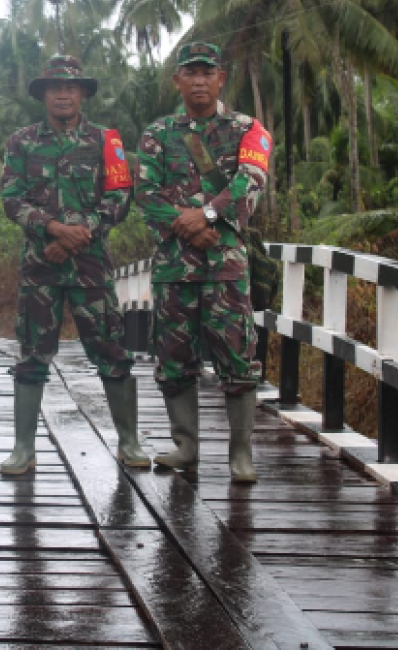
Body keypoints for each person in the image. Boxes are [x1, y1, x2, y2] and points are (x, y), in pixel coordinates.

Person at [0, 55, 148, 475]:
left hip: (91, 265)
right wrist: (51, 228)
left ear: (82, 93)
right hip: (39, 265)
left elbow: (119, 198)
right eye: (54, 88)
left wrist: (79, 232)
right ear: (43, 94)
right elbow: (12, 199)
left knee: (112, 351)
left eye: (71, 88)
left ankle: (130, 441)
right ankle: (23, 448)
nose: (63, 94)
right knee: (32, 354)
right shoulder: (22, 141)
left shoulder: (106, 141)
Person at [134, 42, 271, 484]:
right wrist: (186, 224)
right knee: (173, 357)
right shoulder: (158, 133)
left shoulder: (247, 129)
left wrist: (208, 214)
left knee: (238, 357)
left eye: (206, 72)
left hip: (225, 266)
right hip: (175, 266)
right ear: (177, 80)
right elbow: (145, 193)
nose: (198, 80)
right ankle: (186, 446)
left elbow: (252, 179)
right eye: (189, 73)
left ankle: (241, 453)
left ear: (220, 78)